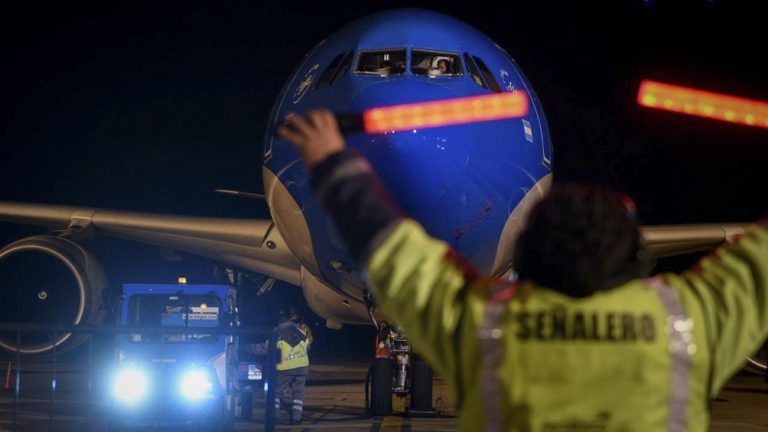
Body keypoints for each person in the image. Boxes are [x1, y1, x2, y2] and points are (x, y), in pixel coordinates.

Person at [277, 110, 768, 431]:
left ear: (529, 255)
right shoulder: (687, 322)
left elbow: (392, 251)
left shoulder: (490, 327)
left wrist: (332, 163)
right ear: (637, 256)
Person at [251, 317, 309, 424]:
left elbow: (265, 348)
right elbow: (307, 346)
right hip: (302, 367)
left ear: (278, 324)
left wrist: (249, 348)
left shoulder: (278, 333)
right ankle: (296, 418)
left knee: (276, 392)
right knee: (298, 394)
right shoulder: (300, 332)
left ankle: (274, 417)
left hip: (285, 368)